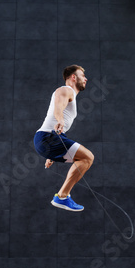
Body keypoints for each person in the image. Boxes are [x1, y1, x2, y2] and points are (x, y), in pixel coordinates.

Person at [33, 65, 94, 212]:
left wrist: (50, 154)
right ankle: (62, 197)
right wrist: (60, 119)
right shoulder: (66, 90)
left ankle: (62, 196)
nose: (86, 79)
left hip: (49, 139)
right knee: (87, 157)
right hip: (47, 137)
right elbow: (58, 108)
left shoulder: (70, 94)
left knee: (84, 159)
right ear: (73, 77)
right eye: (82, 75)